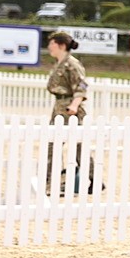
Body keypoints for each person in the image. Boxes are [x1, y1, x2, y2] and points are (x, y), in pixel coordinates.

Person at [45, 31, 95, 193]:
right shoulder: (60, 63)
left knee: (74, 145)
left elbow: (82, 86)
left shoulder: (71, 64)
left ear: (61, 45)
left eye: (52, 43)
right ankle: (50, 180)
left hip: (69, 108)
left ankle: (93, 178)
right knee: (55, 143)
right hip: (59, 105)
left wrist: (74, 105)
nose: (49, 47)